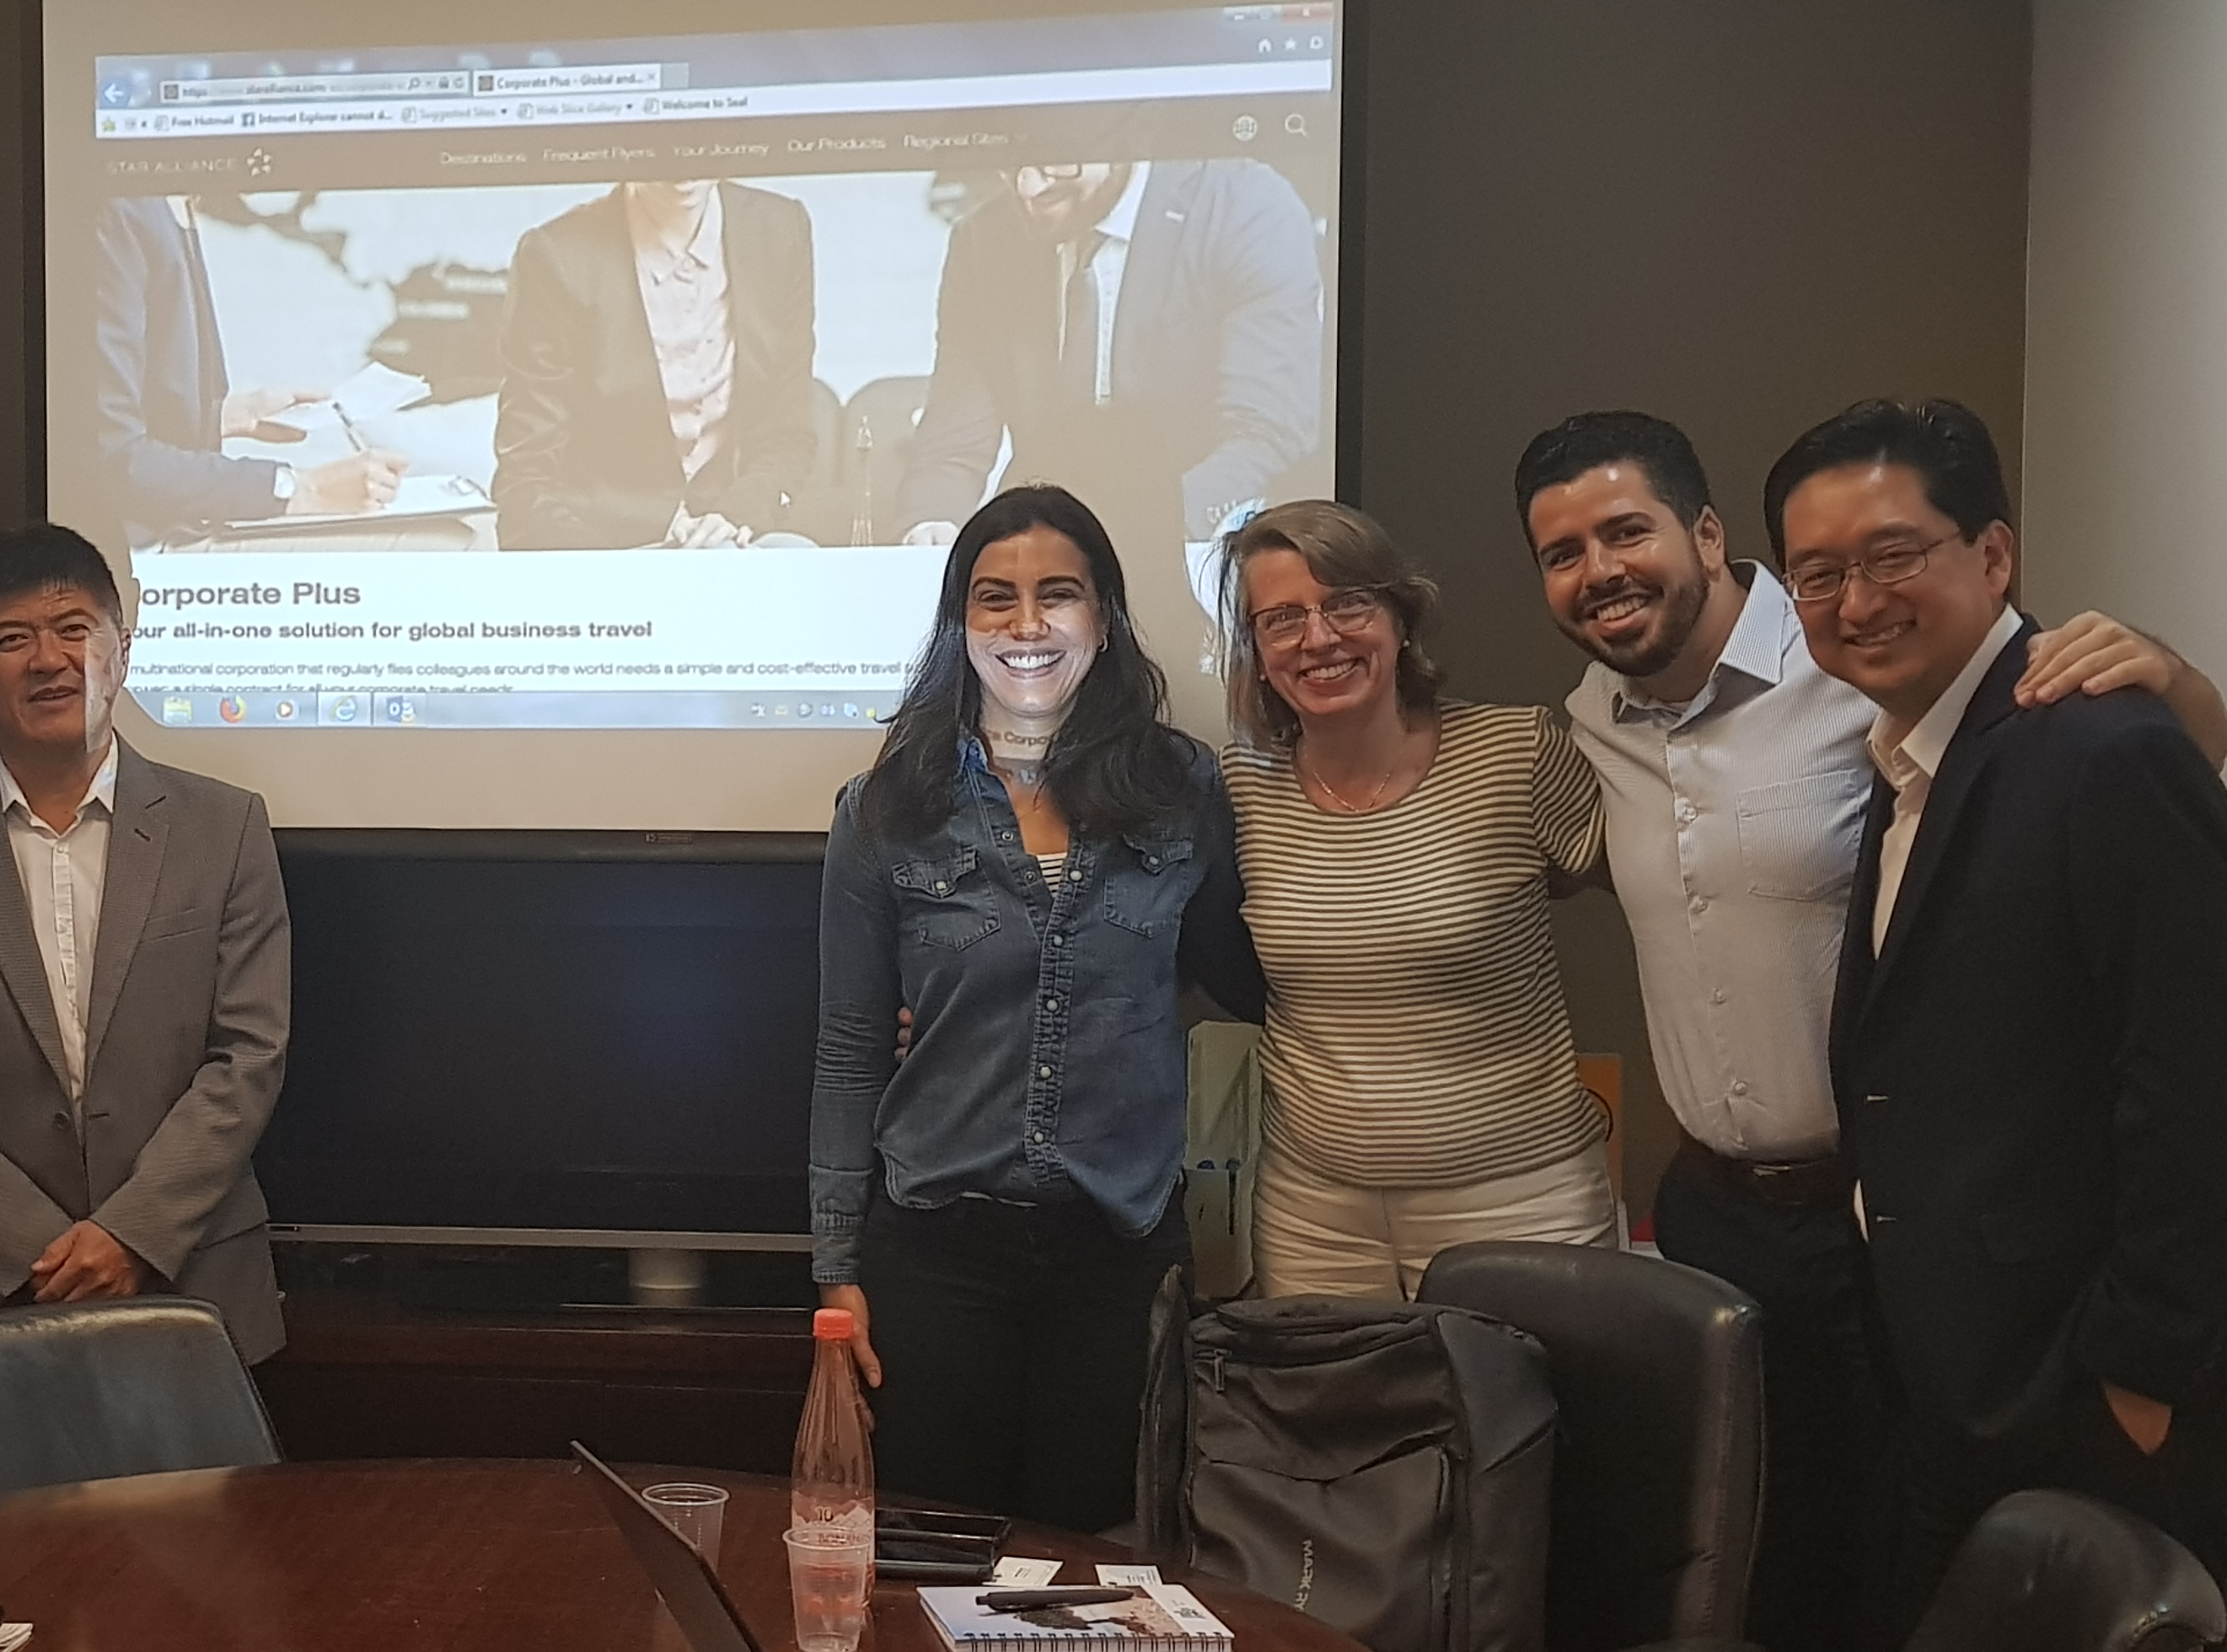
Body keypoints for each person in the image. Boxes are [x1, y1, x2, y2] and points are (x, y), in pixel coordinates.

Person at [1513, 409, 2227, 1651]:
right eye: (1562, 551)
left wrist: (2148, 1369)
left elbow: (2188, 1069)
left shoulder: (1921, 696)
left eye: (1626, 530)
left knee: (1915, 1575)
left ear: (1708, 535)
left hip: (1930, 1250)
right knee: (1772, 1560)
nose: (1600, 569)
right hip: (1732, 1221)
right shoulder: (1592, 729)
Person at [1762, 398, 2227, 1644]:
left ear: (1995, 554)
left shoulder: (2103, 749)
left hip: (2083, 1390)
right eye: (1818, 574)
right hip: (1957, 1372)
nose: (1858, 600)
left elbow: (2197, 1081)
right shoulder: (1917, 752)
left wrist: (2141, 1377)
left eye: (1893, 554)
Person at [810, 484, 1262, 1533]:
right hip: (937, 1251)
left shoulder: (1181, 788)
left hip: (1121, 1251)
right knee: (937, 1559)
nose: (1026, 624)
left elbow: (1242, 974)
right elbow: (848, 1049)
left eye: (1057, 594)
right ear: (959, 624)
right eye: (994, 597)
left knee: (1100, 1572)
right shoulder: (885, 810)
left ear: (1102, 618)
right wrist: (835, 1270)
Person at [0, 523, 290, 1362]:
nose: (49, 659)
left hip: (192, 1280)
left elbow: (249, 1053)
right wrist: (34, 1248)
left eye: (74, 629)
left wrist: (132, 1233)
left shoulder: (225, 828)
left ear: (123, 651)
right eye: (12, 639)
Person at [1213, 501, 1613, 1299]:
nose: (1319, 638)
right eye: (1282, 619)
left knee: (1533, 1389)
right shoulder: (1239, 788)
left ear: (1401, 618)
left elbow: (1670, 899)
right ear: (1256, 650)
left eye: (1348, 604)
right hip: (1313, 1216)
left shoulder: (1517, 754)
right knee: (1331, 1390)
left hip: (1524, 1203)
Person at [896, 160, 1323, 658]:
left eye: (1058, 164)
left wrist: (1138, 542)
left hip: (1197, 567)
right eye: (1011, 168)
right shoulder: (984, 238)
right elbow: (953, 443)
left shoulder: (1241, 203)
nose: (1029, 188)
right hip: (1046, 586)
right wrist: (933, 524)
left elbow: (1263, 433)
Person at [492, 179, 818, 550]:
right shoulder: (556, 253)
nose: (683, 160)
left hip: (733, 532)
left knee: (799, 553)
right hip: (606, 541)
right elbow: (526, 477)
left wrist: (737, 516)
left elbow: (787, 433)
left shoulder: (779, 227)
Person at [95, 196, 405, 546]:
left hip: (167, 530)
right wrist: (304, 488)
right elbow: (114, 460)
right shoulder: (120, 212)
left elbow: (119, 426)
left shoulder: (162, 206)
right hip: (140, 550)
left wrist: (227, 416)